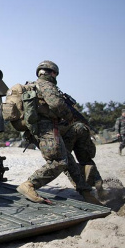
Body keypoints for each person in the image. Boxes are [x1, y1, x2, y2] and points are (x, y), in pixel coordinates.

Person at [16, 61, 98, 204]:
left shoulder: (36, 86)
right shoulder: (46, 85)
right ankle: (29, 184)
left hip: (42, 128)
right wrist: (70, 117)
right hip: (46, 128)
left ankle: (85, 191)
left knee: (67, 159)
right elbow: (56, 104)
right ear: (53, 73)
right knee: (59, 161)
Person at [60, 122, 106, 200]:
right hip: (80, 128)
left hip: (65, 133)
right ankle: (98, 182)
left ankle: (85, 191)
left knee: (62, 160)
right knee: (86, 159)